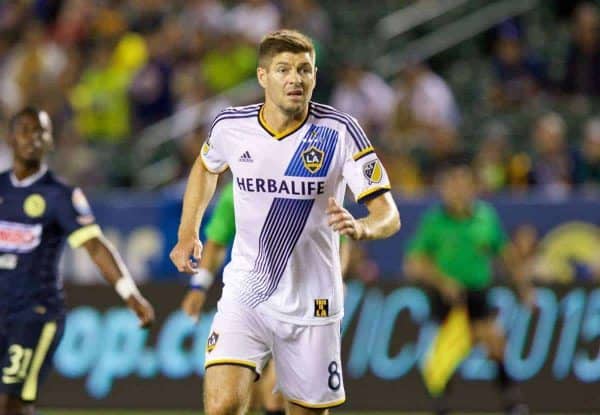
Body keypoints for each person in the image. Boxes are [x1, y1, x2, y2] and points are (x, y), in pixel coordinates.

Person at [170, 29, 400, 415]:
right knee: (222, 405)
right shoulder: (230, 126)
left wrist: (363, 228)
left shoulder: (340, 132)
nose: (295, 78)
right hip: (248, 291)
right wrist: (187, 231)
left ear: (315, 76)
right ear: (263, 76)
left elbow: (388, 214)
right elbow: (206, 168)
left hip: (315, 302)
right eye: (283, 69)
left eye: (304, 69)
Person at [0, 107, 155, 415]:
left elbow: (95, 247)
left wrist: (130, 293)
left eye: (41, 131)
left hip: (34, 314)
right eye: (25, 130)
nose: (33, 138)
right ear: (10, 138)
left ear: (51, 142)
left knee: (8, 403)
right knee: (17, 406)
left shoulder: (60, 196)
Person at [181, 182, 352, 415]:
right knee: (241, 399)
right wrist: (198, 287)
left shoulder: (308, 184)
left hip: (305, 304)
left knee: (278, 397)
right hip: (252, 302)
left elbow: (339, 241)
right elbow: (216, 240)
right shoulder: (238, 190)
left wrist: (335, 279)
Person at [404, 157, 532, 415]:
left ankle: (512, 402)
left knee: (495, 343)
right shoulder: (435, 221)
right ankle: (441, 405)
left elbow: (505, 254)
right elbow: (414, 264)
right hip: (446, 295)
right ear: (444, 190)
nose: (458, 191)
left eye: (463, 185)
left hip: (477, 292)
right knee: (445, 354)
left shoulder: (485, 217)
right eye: (452, 185)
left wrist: (524, 287)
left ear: (473, 188)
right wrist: (442, 281)